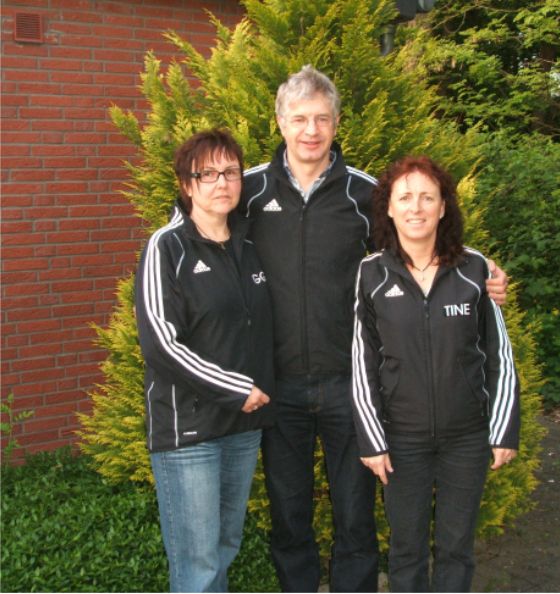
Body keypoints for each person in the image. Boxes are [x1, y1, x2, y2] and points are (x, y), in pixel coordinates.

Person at [241, 65, 509, 593]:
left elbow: (420, 246)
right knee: (289, 515)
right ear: (280, 121)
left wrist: (483, 271)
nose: (311, 130)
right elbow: (199, 232)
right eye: (300, 119)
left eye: (322, 118)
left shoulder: (364, 193)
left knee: (355, 517)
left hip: (350, 386)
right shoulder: (248, 190)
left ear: (337, 123)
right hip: (277, 385)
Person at [351, 156, 520, 593]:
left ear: (443, 207)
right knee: (405, 550)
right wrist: (372, 439)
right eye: (405, 197)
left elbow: (499, 354)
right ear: (389, 208)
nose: (416, 207)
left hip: (466, 437)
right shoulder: (371, 273)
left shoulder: (475, 269)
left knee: (456, 548)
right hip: (401, 438)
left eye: (428, 197)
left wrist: (502, 429)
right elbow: (362, 362)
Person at [134, 129, 275, 593]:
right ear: (187, 184)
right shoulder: (167, 247)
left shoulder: (249, 246)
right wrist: (236, 390)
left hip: (242, 428)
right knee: (198, 566)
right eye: (207, 174)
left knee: (223, 548)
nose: (221, 183)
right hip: (189, 431)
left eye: (230, 172)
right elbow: (161, 344)